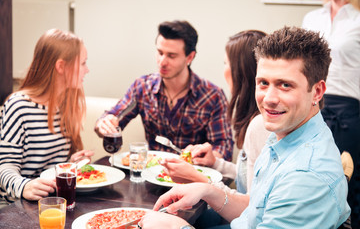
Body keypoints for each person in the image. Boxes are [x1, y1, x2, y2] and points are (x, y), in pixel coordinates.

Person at [138, 26, 351, 229]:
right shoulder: (285, 135)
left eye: (285, 85)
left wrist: (179, 227)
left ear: (317, 91)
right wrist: (207, 190)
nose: (269, 99)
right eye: (263, 83)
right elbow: (254, 212)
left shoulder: (305, 176)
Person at [94, 20, 233, 161]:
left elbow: (223, 146)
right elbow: (114, 117)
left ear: (190, 57)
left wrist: (209, 156)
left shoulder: (212, 96)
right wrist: (104, 124)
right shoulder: (142, 87)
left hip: (192, 175)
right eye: (160, 53)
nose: (162, 62)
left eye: (171, 56)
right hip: (149, 172)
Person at [159, 30, 270, 195]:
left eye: (226, 63)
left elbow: (252, 207)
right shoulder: (256, 118)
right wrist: (215, 163)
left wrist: (197, 177)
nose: (162, 61)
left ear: (241, 72)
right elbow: (248, 178)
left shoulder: (261, 125)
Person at [0, 29, 93, 204]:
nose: (87, 70)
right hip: (17, 205)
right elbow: (4, 166)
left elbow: (49, 168)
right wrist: (25, 186)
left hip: (51, 203)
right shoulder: (18, 106)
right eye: (83, 63)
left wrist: (70, 163)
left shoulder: (64, 104)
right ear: (61, 66)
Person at [302, 0, 360, 226]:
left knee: (349, 184)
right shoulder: (312, 18)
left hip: (349, 109)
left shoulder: (358, 18)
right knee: (312, 178)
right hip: (313, 105)